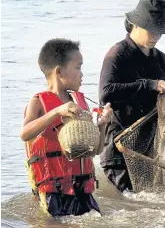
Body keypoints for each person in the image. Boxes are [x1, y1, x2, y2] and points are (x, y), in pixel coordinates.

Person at [20, 38, 112, 216]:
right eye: (78, 67)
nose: (82, 74)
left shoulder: (79, 103)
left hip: (83, 192)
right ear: (59, 72)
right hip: (54, 194)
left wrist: (101, 125)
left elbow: (95, 151)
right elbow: (24, 134)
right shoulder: (38, 102)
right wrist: (57, 112)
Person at [98, 0, 165, 192]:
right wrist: (149, 84)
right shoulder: (117, 54)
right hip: (119, 147)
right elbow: (106, 94)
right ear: (136, 25)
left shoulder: (161, 59)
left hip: (148, 148)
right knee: (130, 204)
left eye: (160, 31)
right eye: (153, 30)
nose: (157, 36)